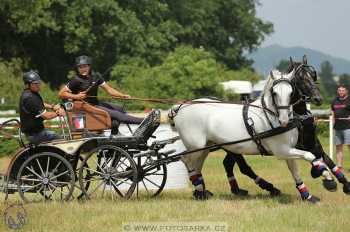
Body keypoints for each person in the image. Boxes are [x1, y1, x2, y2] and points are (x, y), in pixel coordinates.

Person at [58, 55, 143, 128]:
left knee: (120, 108)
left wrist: (122, 95)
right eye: (80, 67)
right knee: (119, 115)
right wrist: (76, 96)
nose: (83, 69)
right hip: (88, 106)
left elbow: (109, 90)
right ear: (77, 68)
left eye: (85, 66)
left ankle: (114, 130)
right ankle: (144, 121)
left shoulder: (96, 77)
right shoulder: (76, 80)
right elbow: (61, 94)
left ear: (89, 66)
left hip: (96, 103)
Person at [20, 70, 65, 144]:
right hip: (35, 134)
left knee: (58, 137)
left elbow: (39, 104)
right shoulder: (30, 97)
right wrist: (58, 113)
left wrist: (52, 106)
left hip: (35, 132)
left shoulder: (30, 93)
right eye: (35, 83)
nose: (38, 85)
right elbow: (46, 116)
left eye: (39, 83)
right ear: (28, 84)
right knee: (62, 141)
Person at [331, 85, 350, 171]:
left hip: (348, 127)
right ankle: (339, 166)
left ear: (346, 91)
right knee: (338, 147)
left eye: (342, 90)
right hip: (337, 127)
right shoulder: (334, 101)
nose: (341, 92)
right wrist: (333, 122)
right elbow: (333, 111)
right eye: (339, 90)